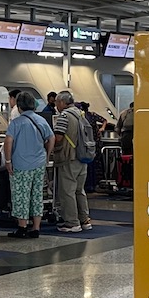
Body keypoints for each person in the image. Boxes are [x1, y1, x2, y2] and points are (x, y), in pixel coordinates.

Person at [4, 90, 53, 238]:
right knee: (37, 195)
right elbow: (51, 138)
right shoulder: (41, 120)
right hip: (39, 164)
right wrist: (47, 155)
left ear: (19, 106)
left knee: (21, 195)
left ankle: (22, 227)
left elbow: (8, 141)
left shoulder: (16, 123)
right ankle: (36, 228)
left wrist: (7, 160)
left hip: (21, 165)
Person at [52, 90, 94, 232]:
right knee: (79, 190)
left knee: (67, 191)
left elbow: (58, 137)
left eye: (57, 102)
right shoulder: (81, 113)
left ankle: (72, 222)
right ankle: (85, 220)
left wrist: (51, 148)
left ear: (62, 102)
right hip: (83, 157)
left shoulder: (64, 116)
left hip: (68, 157)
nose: (56, 105)